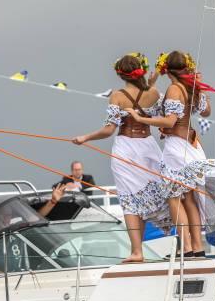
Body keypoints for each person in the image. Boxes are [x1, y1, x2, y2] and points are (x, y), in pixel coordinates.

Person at [72, 53, 169, 263]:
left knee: (129, 199)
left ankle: (137, 252)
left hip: (126, 148)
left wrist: (84, 138)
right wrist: (151, 84)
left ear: (120, 74)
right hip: (149, 146)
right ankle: (182, 243)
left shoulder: (117, 95)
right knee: (158, 193)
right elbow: (162, 116)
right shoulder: (154, 93)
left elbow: (109, 130)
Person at [126, 51, 215, 258]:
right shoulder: (189, 88)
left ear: (166, 70)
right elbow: (206, 112)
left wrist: (140, 120)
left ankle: (186, 247)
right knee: (189, 199)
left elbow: (169, 121)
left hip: (177, 148)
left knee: (174, 198)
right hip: (192, 147)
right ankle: (197, 246)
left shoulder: (175, 89)